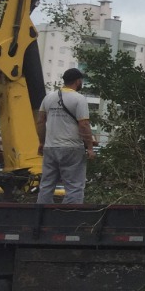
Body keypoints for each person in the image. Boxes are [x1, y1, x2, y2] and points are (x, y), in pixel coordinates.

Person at [36, 68, 96, 205]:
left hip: (50, 148)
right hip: (72, 149)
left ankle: (41, 218)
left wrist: (41, 142)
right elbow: (84, 125)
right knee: (74, 187)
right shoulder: (79, 99)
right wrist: (90, 147)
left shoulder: (48, 98)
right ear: (78, 81)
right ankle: (68, 218)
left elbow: (40, 121)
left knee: (46, 185)